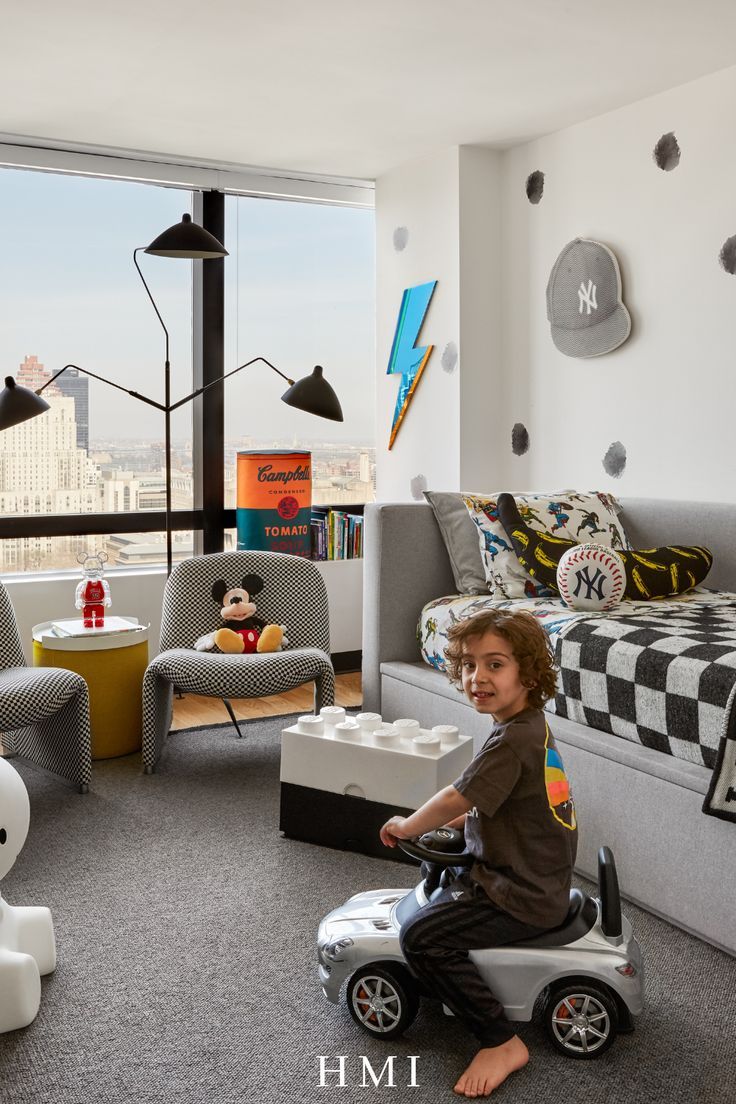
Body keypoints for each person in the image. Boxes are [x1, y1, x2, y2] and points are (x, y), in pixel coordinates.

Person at [379, 609, 577, 1098]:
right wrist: (454, 827)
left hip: (520, 893)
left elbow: (457, 796)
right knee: (440, 859)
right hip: (532, 869)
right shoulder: (527, 726)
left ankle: (500, 1040)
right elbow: (491, 803)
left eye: (494, 665)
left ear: (528, 674)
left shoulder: (511, 742)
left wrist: (408, 824)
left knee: (422, 937)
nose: (476, 677)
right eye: (469, 665)